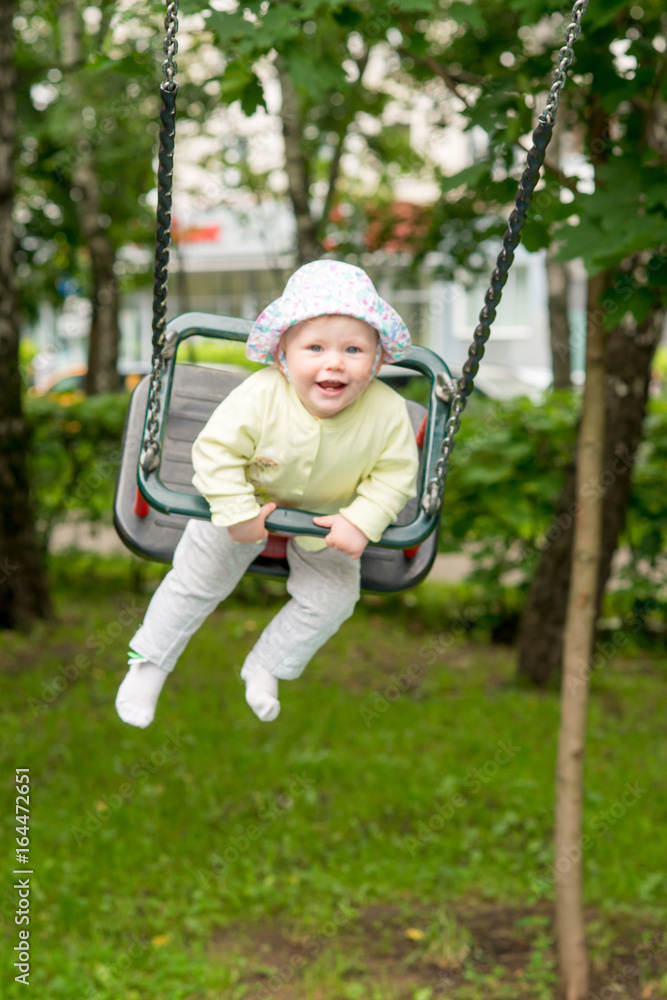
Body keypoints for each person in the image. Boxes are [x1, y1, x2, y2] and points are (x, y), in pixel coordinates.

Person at [115, 259, 419, 727]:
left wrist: (362, 519)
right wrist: (237, 510)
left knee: (334, 598)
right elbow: (215, 452)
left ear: (377, 360)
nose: (334, 362)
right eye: (315, 347)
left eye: (354, 349)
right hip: (247, 503)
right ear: (283, 355)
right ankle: (149, 663)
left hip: (328, 520)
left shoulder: (388, 410)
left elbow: (396, 473)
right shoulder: (259, 394)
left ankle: (267, 665)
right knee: (196, 578)